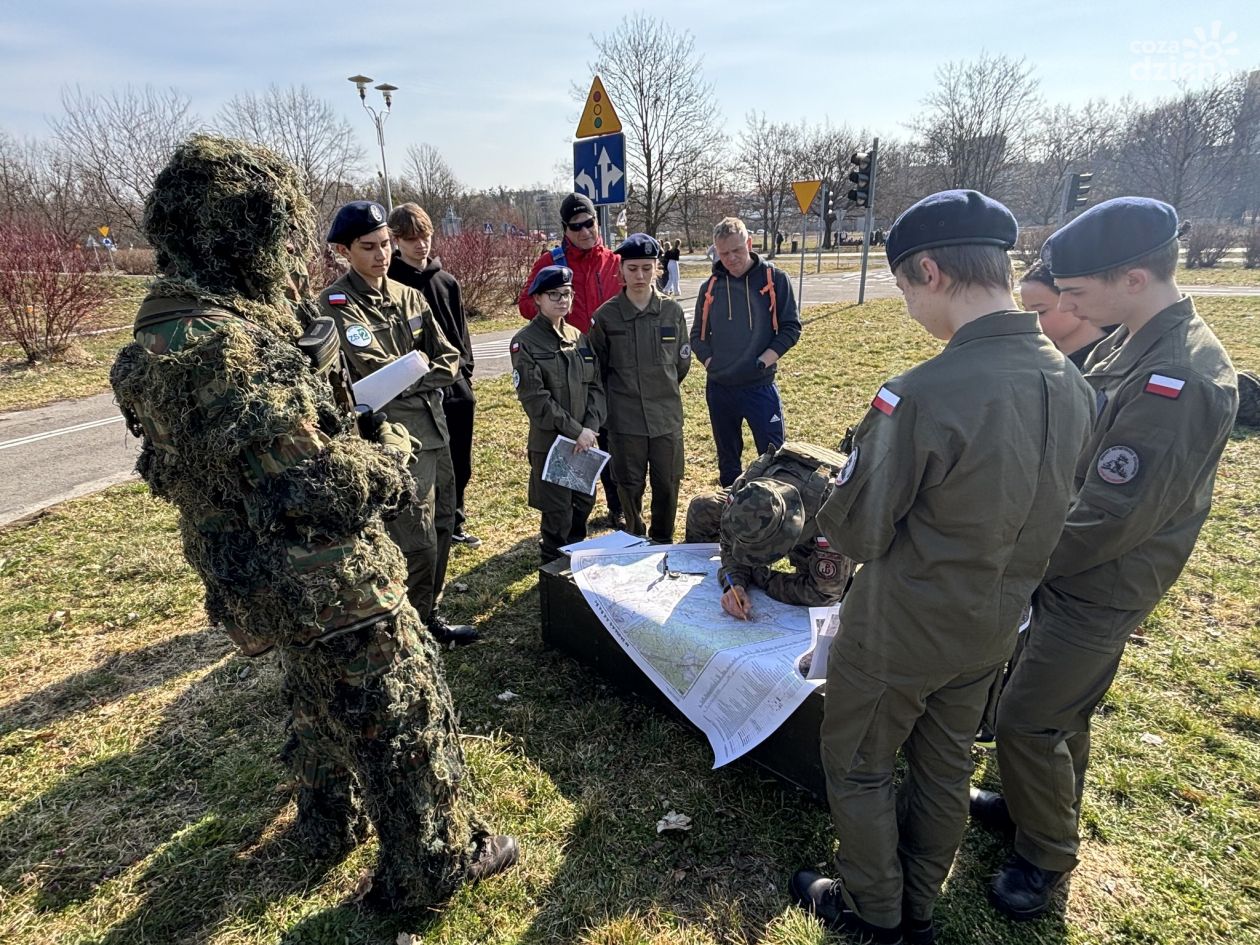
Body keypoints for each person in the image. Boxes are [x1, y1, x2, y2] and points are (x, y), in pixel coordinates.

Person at [109, 135, 517, 912]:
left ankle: (329, 817)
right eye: (280, 238)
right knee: (400, 704)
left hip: (252, 572)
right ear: (246, 233)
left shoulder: (161, 330)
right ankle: (436, 863)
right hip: (327, 571)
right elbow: (315, 481)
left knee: (317, 692)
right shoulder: (228, 347)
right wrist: (392, 456)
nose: (289, 256)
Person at [788, 190, 1094, 945]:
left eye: (902, 288)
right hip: (993, 623)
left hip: (900, 627)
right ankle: (919, 900)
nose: (908, 308)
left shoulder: (918, 394)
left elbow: (857, 529)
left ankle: (874, 912)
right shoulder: (1075, 383)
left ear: (929, 269)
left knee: (858, 761)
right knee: (944, 763)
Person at [972, 197, 1239, 921]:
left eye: (1079, 293)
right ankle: (1034, 805)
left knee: (1028, 716)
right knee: (1059, 704)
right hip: (1076, 563)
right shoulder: (1137, 340)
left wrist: (1020, 560)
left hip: (1099, 576)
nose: (1070, 307)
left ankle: (1045, 856)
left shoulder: (1176, 378)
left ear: (1131, 277)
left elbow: (1110, 516)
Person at [320, 201, 478, 646]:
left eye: (386, 244)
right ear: (344, 251)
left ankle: (427, 615)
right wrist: (419, 371)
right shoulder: (337, 305)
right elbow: (373, 375)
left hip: (435, 428)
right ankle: (406, 622)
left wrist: (416, 372)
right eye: (369, 247)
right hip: (395, 439)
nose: (381, 255)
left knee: (444, 522)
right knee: (416, 538)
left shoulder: (409, 295)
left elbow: (449, 356)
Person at [518, 193, 624, 528]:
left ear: (597, 221)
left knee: (609, 436)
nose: (584, 231)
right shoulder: (552, 260)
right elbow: (525, 303)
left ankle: (616, 506)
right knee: (578, 435)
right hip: (570, 360)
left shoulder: (612, 260)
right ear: (565, 228)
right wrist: (561, 318)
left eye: (589, 222)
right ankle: (569, 512)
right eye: (575, 226)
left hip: (613, 363)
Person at [387, 203, 481, 550]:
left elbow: (462, 334)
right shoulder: (391, 284)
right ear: (396, 241)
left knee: (460, 460)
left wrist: (465, 373)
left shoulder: (447, 281)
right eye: (411, 239)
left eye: (425, 236)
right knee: (425, 465)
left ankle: (455, 520)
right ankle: (423, 530)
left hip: (455, 387)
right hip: (416, 391)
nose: (420, 245)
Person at [588, 234, 691, 542]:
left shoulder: (672, 312)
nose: (640, 276)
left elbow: (681, 364)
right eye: (632, 269)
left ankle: (662, 541)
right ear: (621, 269)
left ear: (657, 268)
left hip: (666, 418)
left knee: (667, 483)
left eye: (647, 268)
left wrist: (662, 388)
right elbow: (598, 370)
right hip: (625, 420)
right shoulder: (606, 317)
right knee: (629, 484)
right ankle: (634, 539)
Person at [690, 217, 802, 487]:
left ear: (749, 244)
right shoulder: (710, 288)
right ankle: (731, 516)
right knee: (728, 460)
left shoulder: (774, 280)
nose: (731, 258)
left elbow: (791, 328)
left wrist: (763, 362)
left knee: (774, 456)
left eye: (737, 250)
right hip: (720, 389)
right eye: (723, 253)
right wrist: (709, 361)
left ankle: (775, 515)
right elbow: (696, 336)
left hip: (759, 387)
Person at [684, 442, 855, 617]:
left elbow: (824, 593)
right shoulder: (745, 489)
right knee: (703, 507)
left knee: (827, 585)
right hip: (788, 474)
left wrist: (762, 578)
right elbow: (730, 544)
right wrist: (736, 583)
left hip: (828, 515)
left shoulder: (829, 516)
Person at [510, 265, 607, 561]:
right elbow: (536, 400)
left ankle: (574, 566)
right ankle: (552, 570)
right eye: (553, 294)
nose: (561, 300)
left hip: (584, 443)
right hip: (552, 443)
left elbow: (596, 387)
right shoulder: (525, 342)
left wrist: (589, 429)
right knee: (557, 513)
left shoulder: (579, 337)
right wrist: (576, 431)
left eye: (566, 294)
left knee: (582, 505)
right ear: (537, 298)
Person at [1020, 260, 1110, 371]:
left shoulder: (1110, 361)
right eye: (1025, 310)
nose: (1030, 319)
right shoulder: (1032, 354)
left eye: (1040, 311)